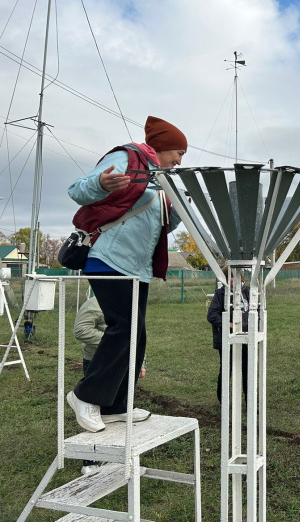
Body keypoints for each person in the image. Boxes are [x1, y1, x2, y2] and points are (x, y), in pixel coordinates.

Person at [66, 116, 186, 433]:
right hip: (108, 257)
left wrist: (177, 210)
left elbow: (163, 225)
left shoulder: (161, 180)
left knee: (137, 335)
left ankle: (116, 405)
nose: (180, 160)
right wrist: (101, 184)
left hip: (137, 267)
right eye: (179, 153)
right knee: (123, 328)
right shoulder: (126, 157)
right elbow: (78, 190)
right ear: (164, 146)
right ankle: (84, 396)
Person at [73, 295, 147, 473]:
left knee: (118, 411)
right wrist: (113, 342)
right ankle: (90, 461)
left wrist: (141, 362)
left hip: (124, 363)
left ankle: (117, 456)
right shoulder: (94, 303)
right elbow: (80, 330)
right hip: (99, 364)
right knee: (94, 413)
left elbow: (137, 334)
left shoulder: (130, 302)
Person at [207, 266, 250, 402]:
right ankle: (223, 401)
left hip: (246, 338)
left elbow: (257, 311)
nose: (233, 280)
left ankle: (249, 401)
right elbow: (212, 315)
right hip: (227, 339)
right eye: (230, 277)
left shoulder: (248, 292)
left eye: (236, 276)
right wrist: (229, 325)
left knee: (247, 370)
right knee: (227, 370)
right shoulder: (220, 294)